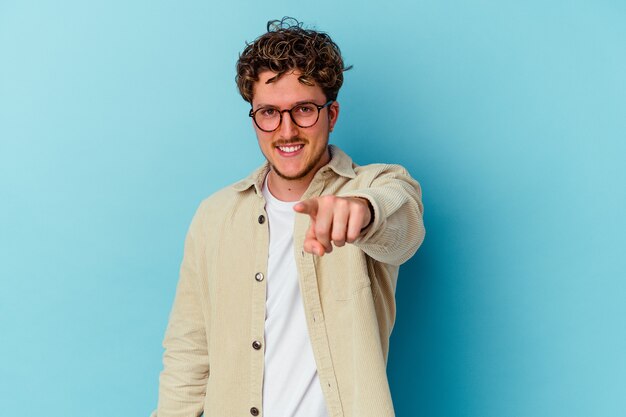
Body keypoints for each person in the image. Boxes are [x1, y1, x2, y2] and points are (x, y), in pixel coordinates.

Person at [153, 17, 425, 417]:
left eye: (304, 110)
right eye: (268, 113)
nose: (286, 131)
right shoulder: (214, 216)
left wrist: (362, 212)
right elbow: (188, 354)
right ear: (253, 118)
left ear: (331, 114)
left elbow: (403, 226)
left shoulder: (376, 185)